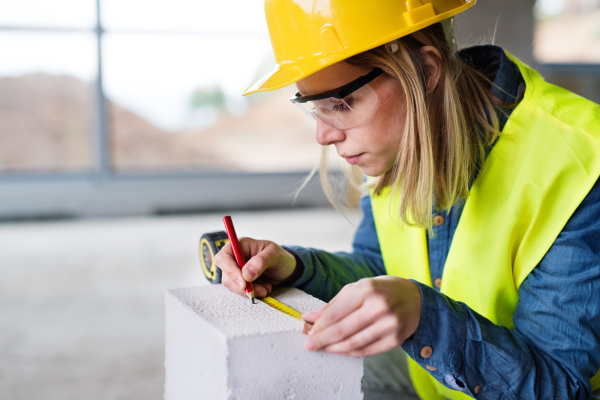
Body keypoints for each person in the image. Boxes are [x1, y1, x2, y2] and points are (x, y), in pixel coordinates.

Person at [214, 1, 600, 399]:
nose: (324, 137)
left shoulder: (581, 162)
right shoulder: (398, 137)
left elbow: (558, 386)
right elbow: (380, 268)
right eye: (315, 110)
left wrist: (422, 315)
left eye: (342, 105)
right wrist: (295, 269)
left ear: (426, 71)